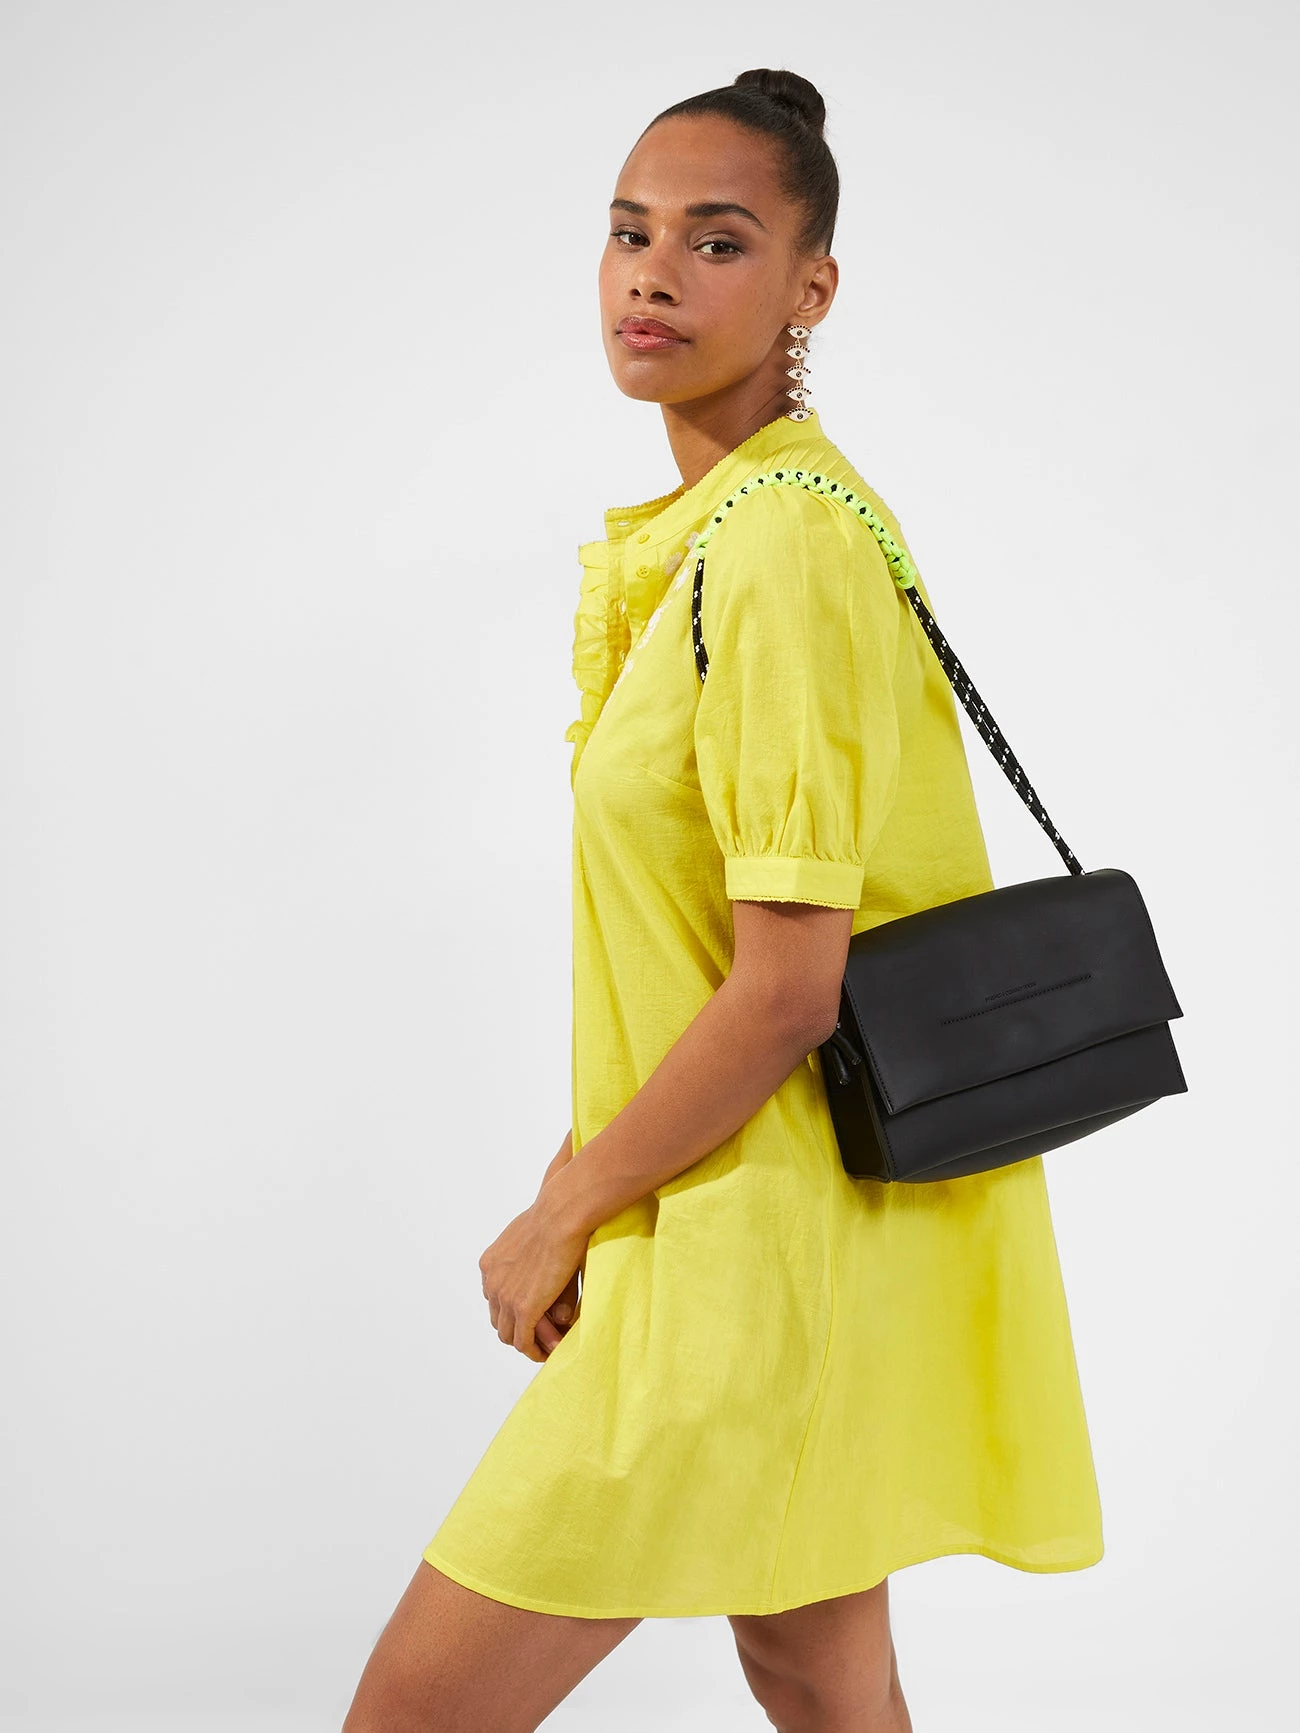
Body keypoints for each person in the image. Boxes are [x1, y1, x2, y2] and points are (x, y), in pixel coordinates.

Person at [342, 67, 1103, 1733]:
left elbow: (785, 988)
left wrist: (566, 1211)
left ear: (809, 289)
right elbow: (691, 956)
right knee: (820, 1678)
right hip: (735, 1223)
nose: (653, 276)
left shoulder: (779, 545)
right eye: (629, 234)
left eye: (717, 241)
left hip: (750, 1262)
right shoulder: (716, 533)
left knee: (411, 1717)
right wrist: (584, 1178)